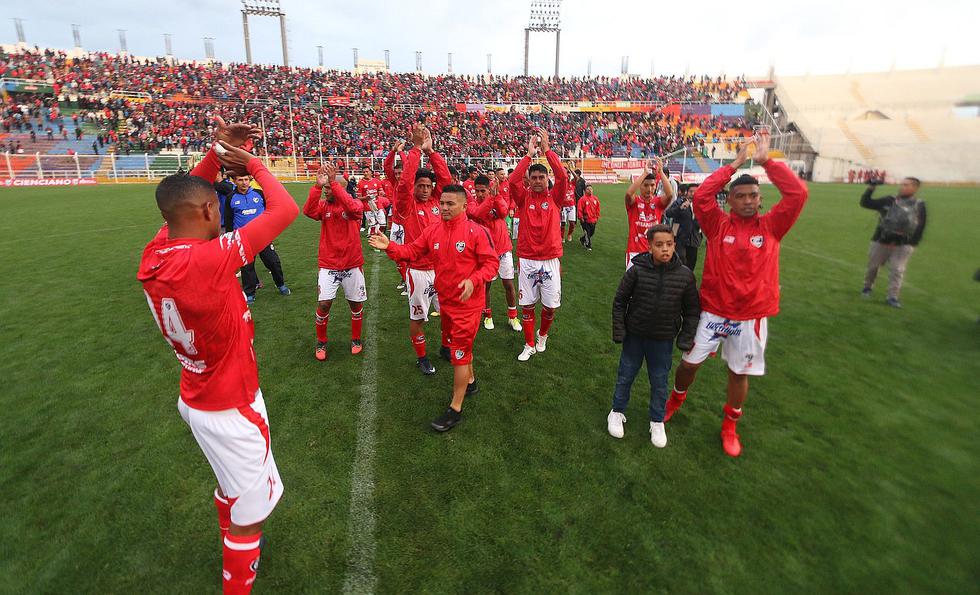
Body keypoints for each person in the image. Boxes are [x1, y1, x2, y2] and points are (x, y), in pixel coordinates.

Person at [138, 118, 299, 594]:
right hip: (231, 405)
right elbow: (285, 208)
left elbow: (190, 194)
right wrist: (251, 162)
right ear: (211, 209)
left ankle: (235, 536)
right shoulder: (211, 259)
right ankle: (240, 557)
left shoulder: (154, 254)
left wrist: (217, 151)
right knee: (252, 515)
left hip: (197, 394)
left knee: (230, 488)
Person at [663, 131, 808, 457]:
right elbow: (701, 198)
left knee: (738, 372)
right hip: (714, 311)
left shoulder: (772, 226)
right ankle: (676, 399)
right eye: (740, 196)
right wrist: (736, 163)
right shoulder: (717, 225)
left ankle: (730, 424)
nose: (747, 200)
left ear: (759, 198)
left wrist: (766, 162)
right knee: (688, 363)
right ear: (729, 200)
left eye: (752, 195)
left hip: (750, 317)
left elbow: (798, 195)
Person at [369, 185, 498, 431]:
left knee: (459, 353)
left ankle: (455, 409)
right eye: (443, 203)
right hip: (446, 303)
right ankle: (470, 382)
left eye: (451, 204)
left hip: (468, 307)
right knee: (462, 348)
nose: (445, 208)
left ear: (463, 205)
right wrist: (390, 247)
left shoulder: (476, 232)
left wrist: (473, 280)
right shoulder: (434, 231)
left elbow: (491, 264)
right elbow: (411, 252)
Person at [609, 225, 700, 447]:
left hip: (663, 339)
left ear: (674, 245)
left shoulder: (685, 276)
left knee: (659, 381)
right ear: (649, 246)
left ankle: (657, 420)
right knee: (626, 375)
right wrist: (619, 329)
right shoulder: (636, 271)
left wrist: (686, 336)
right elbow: (619, 301)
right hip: (635, 337)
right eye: (659, 245)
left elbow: (692, 310)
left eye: (669, 244)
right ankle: (617, 411)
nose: (665, 249)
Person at [392, 124, 452, 375]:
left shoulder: (438, 201)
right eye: (422, 186)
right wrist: (416, 149)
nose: (426, 190)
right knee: (418, 318)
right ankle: (422, 357)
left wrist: (432, 152)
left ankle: (446, 347)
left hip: (441, 268)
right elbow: (405, 183)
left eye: (429, 186)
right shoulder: (406, 205)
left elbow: (447, 181)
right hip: (417, 270)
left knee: (448, 313)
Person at [508, 129, 569, 362]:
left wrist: (547, 151)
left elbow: (562, 177)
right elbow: (514, 180)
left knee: (550, 306)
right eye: (533, 178)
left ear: (546, 180)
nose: (536, 181)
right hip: (527, 259)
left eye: (540, 178)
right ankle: (529, 344)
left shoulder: (555, 197)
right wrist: (528, 155)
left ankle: (543, 335)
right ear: (529, 180)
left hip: (550, 260)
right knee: (527, 304)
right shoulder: (523, 199)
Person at [303, 163, 367, 361]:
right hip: (329, 264)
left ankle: (356, 339)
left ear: (339, 187)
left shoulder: (354, 205)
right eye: (326, 188)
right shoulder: (323, 206)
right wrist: (316, 186)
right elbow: (308, 211)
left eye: (329, 187)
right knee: (324, 304)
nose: (326, 191)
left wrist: (334, 183)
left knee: (355, 304)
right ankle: (321, 341)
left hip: (352, 263)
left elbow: (354, 209)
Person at [860, 177, 926, 308]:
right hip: (881, 241)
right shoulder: (889, 200)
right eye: (902, 184)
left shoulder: (919, 205)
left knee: (897, 270)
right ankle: (867, 287)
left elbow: (920, 225)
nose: (902, 186)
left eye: (906, 185)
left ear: (915, 188)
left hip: (903, 245)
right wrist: (871, 188)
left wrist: (911, 244)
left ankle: (892, 296)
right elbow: (866, 203)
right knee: (873, 267)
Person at [468, 174, 521, 331]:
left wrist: (495, 196)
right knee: (486, 286)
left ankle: (513, 317)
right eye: (477, 191)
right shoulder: (472, 204)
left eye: (483, 191)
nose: (480, 194)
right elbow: (478, 214)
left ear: (488, 189)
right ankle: (488, 316)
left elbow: (504, 213)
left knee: (509, 284)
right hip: (486, 253)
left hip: (503, 249)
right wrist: (491, 198)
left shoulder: (496, 198)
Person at [228, 173, 291, 304]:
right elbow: (229, 220)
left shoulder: (259, 194)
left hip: (263, 236)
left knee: (273, 262)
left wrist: (270, 230)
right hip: (243, 239)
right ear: (234, 181)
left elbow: (270, 212)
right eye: (240, 179)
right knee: (247, 267)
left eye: (246, 179)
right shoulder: (231, 198)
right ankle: (249, 293)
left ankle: (280, 284)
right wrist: (231, 238)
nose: (244, 182)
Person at [623, 157, 673, 269]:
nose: (649, 189)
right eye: (645, 185)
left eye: (652, 185)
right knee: (633, 285)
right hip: (634, 252)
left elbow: (670, 194)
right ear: (640, 186)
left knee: (652, 284)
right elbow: (628, 194)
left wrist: (660, 172)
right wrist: (645, 173)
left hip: (653, 252)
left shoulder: (658, 202)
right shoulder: (634, 202)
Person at [384, 141, 408, 295]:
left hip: (409, 224)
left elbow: (409, 166)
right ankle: (405, 278)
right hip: (396, 224)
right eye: (396, 173)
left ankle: (409, 281)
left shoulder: (409, 184)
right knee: (395, 254)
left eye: (401, 173)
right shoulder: (394, 182)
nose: (398, 176)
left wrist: (402, 153)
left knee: (408, 254)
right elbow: (387, 167)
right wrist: (393, 151)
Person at [665, 183, 702, 270]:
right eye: (691, 191)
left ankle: (688, 281)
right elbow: (668, 213)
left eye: (695, 192)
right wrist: (680, 208)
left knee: (691, 263)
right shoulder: (679, 202)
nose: (693, 194)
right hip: (680, 238)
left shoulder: (701, 205)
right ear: (686, 192)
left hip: (694, 239)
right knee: (680, 262)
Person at [577, 184, 600, 250]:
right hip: (585, 220)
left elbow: (598, 208)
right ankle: (588, 245)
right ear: (584, 191)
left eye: (591, 189)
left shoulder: (595, 198)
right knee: (587, 233)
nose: (590, 190)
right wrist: (581, 218)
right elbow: (579, 209)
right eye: (588, 189)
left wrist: (597, 217)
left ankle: (582, 239)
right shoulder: (582, 199)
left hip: (593, 220)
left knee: (592, 233)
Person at [560, 165, 579, 243]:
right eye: (566, 174)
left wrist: (571, 170)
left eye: (569, 174)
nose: (568, 175)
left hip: (571, 206)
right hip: (563, 206)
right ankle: (562, 237)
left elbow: (577, 178)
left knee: (572, 223)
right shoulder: (561, 184)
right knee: (563, 223)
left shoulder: (572, 183)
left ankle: (569, 234)